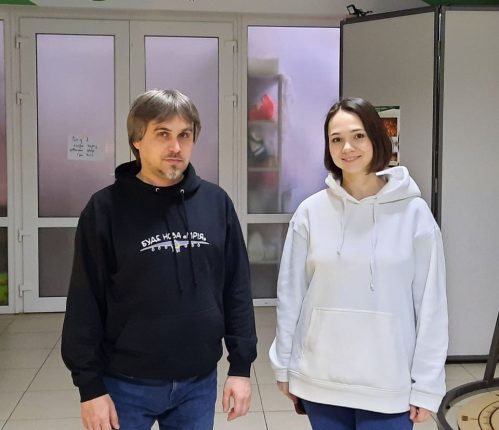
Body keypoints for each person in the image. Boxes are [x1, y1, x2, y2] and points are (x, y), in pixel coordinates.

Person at [62, 89, 257, 430]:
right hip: (124, 383)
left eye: (185, 135)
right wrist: (90, 388)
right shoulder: (104, 209)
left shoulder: (216, 203)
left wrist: (240, 368)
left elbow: (236, 288)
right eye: (163, 134)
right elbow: (84, 301)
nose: (176, 147)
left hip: (198, 383)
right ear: (137, 140)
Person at [269, 97, 448, 429]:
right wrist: (284, 366)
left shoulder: (414, 214)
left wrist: (427, 384)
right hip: (320, 380)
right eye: (336, 139)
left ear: (376, 138)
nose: (347, 148)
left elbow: (431, 306)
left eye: (358, 136)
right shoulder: (310, 213)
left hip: (388, 385)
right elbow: (291, 296)